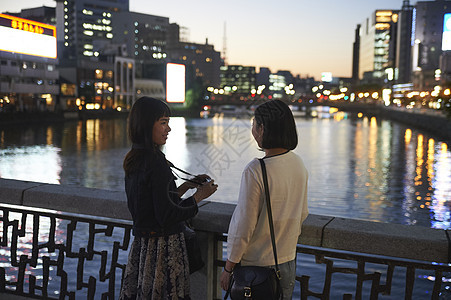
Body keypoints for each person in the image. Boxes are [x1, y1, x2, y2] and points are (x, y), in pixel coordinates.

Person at [119, 97, 218, 300]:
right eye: (163, 122)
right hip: (163, 248)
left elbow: (154, 202)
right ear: (147, 125)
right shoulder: (155, 161)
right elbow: (167, 214)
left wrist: (185, 186)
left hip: (142, 246)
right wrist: (199, 196)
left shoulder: (135, 157)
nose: (168, 129)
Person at [220, 100, 309, 299]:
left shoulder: (256, 170)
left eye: (254, 123)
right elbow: (302, 213)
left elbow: (243, 225)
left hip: (256, 270)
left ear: (262, 129)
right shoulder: (298, 164)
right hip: (287, 263)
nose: (252, 129)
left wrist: (229, 266)